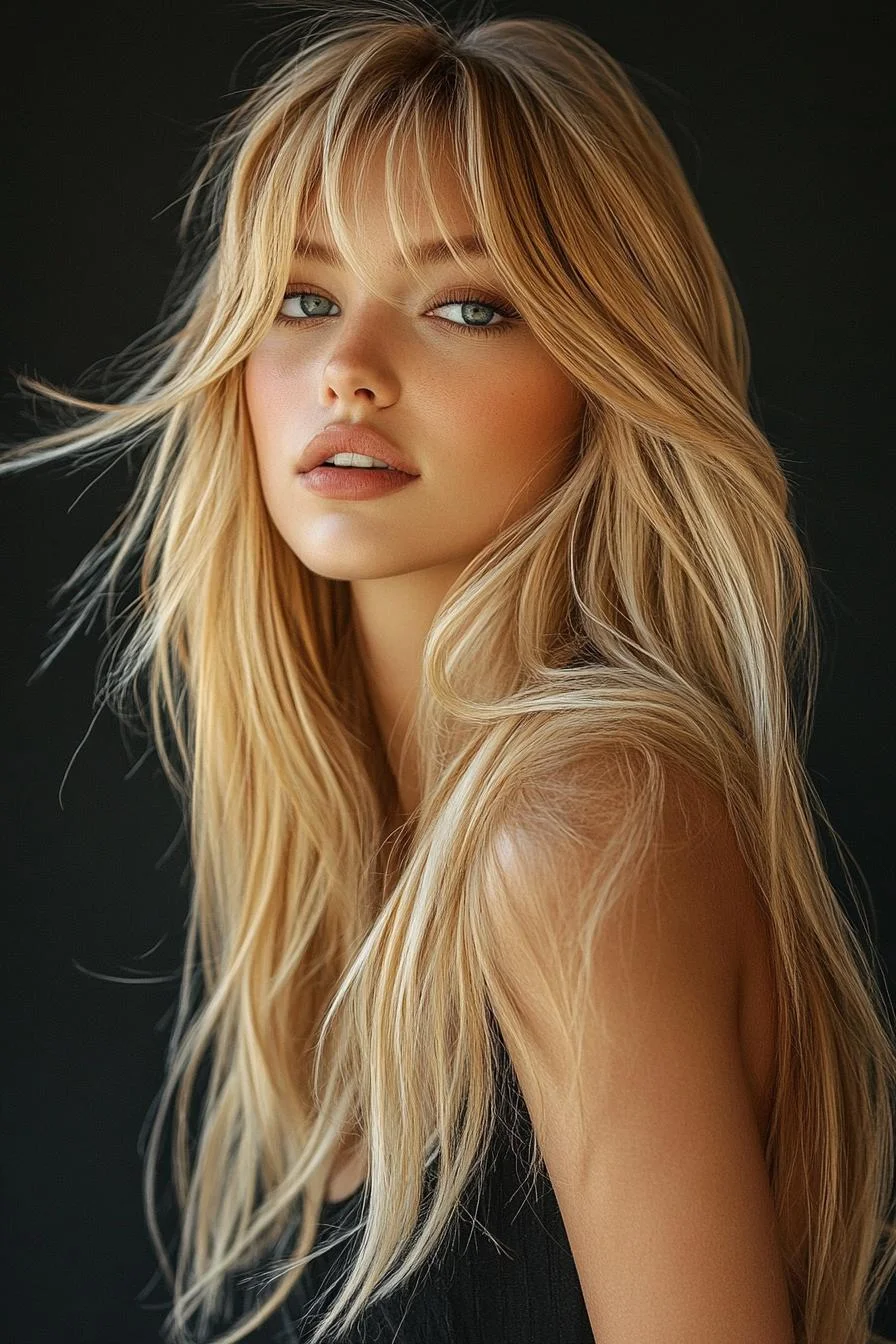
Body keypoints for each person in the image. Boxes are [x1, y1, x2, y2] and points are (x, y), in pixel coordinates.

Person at [3, 2, 895, 1341]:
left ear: (604, 377)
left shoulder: (578, 830)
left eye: (466, 306)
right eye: (303, 298)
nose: (349, 371)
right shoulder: (375, 867)